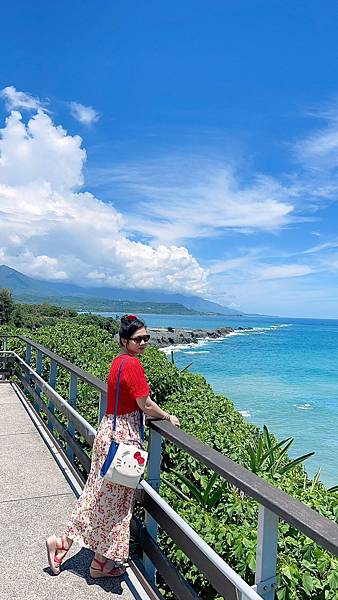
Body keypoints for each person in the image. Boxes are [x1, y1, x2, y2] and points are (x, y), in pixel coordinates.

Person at [46, 314, 180, 578]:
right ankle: (67, 546)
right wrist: (167, 417)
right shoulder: (133, 366)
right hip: (124, 437)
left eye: (146, 338)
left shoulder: (118, 362)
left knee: (99, 497)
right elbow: (145, 404)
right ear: (124, 340)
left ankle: (97, 561)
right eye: (138, 339)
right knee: (115, 503)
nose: (143, 343)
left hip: (108, 431)